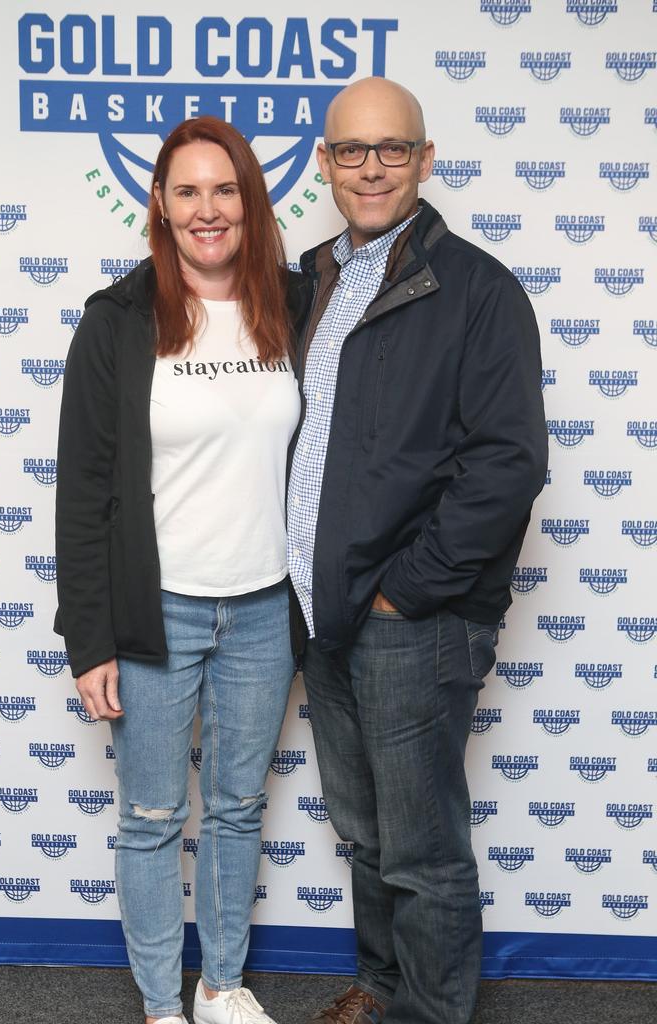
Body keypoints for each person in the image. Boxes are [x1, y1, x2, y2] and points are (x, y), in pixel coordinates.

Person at [287, 78, 548, 1024]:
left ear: (425, 160)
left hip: (411, 618)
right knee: (363, 833)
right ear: (324, 163)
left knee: (423, 850)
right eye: (351, 150)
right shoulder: (313, 276)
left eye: (391, 149)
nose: (370, 168)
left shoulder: (476, 287)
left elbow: (509, 462)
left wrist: (409, 591)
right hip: (324, 611)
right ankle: (382, 984)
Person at [55, 116, 308, 1024]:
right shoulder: (118, 322)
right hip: (156, 610)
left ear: (251, 201)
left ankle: (222, 986)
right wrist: (90, 638)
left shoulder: (294, 302)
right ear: (159, 204)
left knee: (239, 806)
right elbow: (83, 493)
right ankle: (164, 1005)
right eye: (187, 191)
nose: (208, 209)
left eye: (225, 189)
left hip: (265, 609)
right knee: (154, 819)